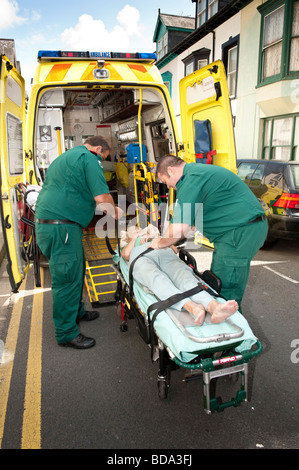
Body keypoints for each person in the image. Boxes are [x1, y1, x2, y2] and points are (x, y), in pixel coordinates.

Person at [149, 155, 268, 312]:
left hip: (238, 233)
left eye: (165, 182)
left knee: (226, 290)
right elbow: (188, 227)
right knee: (218, 281)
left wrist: (159, 242)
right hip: (238, 231)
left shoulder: (190, 180)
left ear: (170, 170)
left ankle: (231, 331)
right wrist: (171, 242)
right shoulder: (197, 174)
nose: (169, 187)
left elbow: (178, 228)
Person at [35, 136, 122, 349]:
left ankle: (77, 312)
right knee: (66, 278)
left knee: (76, 269)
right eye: (105, 156)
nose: (103, 160)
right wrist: (118, 212)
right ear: (99, 149)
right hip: (61, 227)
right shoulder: (89, 158)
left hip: (58, 225)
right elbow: (102, 198)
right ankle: (66, 333)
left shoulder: (68, 156)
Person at [120, 225, 239, 325]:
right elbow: (125, 255)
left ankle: (214, 306)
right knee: (156, 278)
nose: (138, 231)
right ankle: (192, 307)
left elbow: (173, 248)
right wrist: (135, 239)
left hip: (162, 251)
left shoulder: (154, 237)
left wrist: (156, 239)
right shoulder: (131, 243)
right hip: (141, 256)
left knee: (183, 275)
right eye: (134, 231)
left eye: (139, 229)